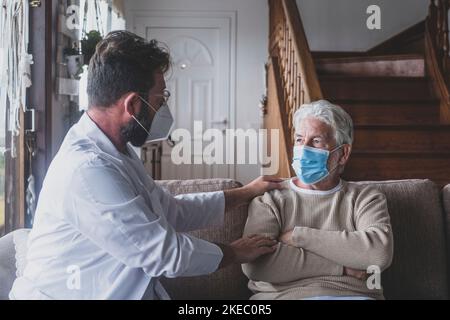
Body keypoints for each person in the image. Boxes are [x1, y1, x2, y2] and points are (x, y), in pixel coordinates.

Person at [9, 31, 281, 300]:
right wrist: (235, 252)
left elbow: (170, 210)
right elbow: (163, 254)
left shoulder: (117, 150)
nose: (164, 109)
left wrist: (246, 192)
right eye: (160, 100)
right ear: (133, 104)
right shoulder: (88, 170)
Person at [242, 100, 394, 300]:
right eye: (299, 139)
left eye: (316, 141)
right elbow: (256, 264)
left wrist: (298, 237)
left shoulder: (365, 198)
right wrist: (342, 268)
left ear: (343, 154)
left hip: (353, 296)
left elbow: (378, 254)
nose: (304, 148)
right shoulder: (270, 199)